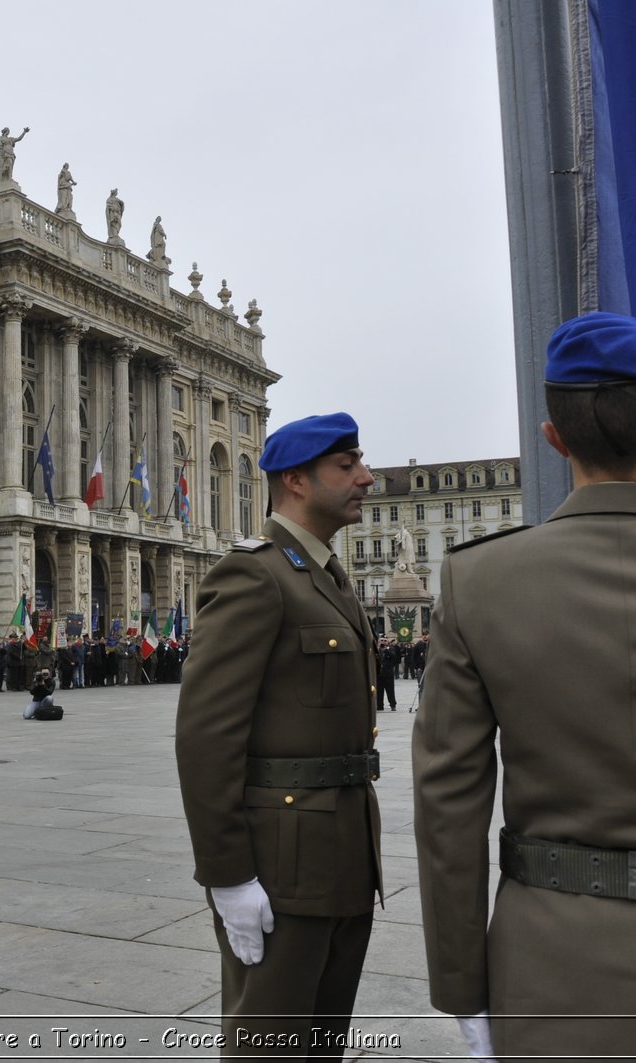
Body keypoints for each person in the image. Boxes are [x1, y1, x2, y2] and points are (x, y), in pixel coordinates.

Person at [412, 312, 636, 1060]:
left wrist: (464, 989)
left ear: (553, 437)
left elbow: (448, 811)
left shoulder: (479, 581)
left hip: (549, 969)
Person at [175, 411, 381, 1058]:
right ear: (296, 479)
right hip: (281, 866)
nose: (365, 478)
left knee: (321, 1047)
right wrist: (228, 874)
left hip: (341, 858)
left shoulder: (327, 577)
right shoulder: (255, 575)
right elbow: (206, 736)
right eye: (346, 467)